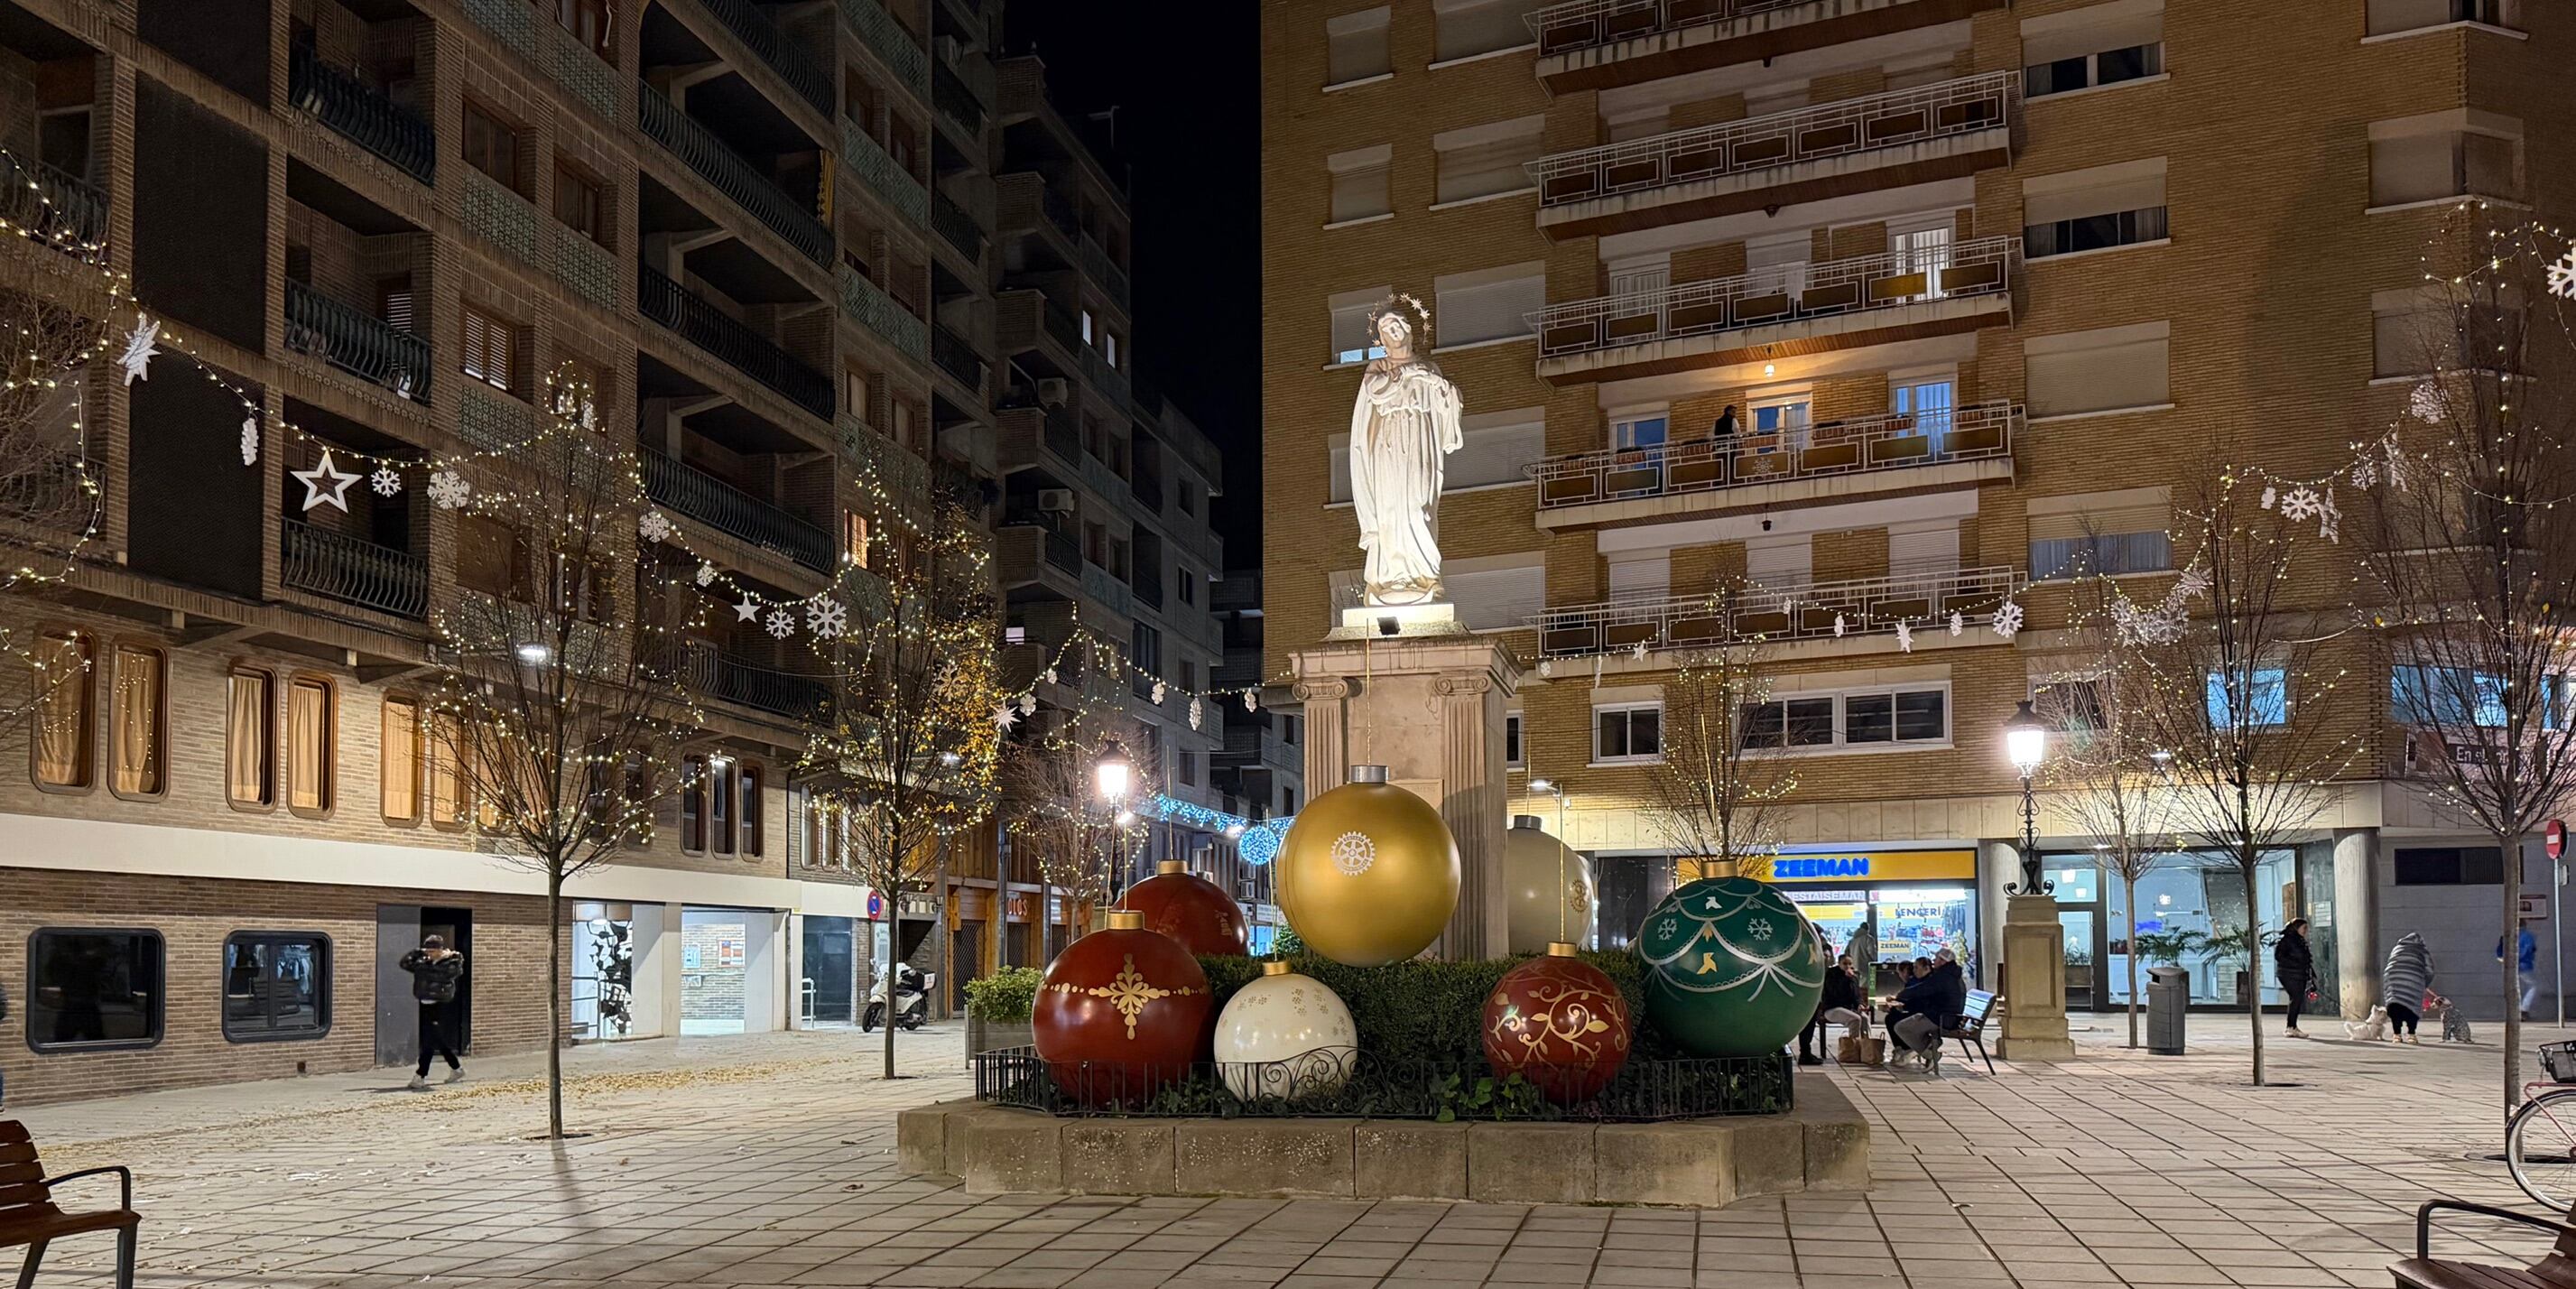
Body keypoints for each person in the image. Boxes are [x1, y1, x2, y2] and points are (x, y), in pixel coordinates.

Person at [400, 934, 468, 1089]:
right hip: (425, 1003)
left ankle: (420, 1075)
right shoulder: (425, 961)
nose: (430, 954)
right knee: (437, 1039)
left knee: (429, 1041)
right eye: (428, 951)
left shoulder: (451, 962)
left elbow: (444, 974)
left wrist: (454, 956)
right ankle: (456, 1068)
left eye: (433, 951)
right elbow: (405, 963)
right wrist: (418, 952)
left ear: (441, 950)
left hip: (442, 1004)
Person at [1891, 951, 1967, 1073]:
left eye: (1936, 958)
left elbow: (1923, 989)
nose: (1933, 960)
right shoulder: (1949, 974)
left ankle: (1931, 1054)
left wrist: (1901, 995)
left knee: (1901, 1027)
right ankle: (1930, 1048)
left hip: (1942, 1018)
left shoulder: (1944, 977)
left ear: (1943, 961)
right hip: (1944, 1015)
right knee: (1902, 1020)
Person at [1800, 946, 1865, 1066]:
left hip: (1848, 1008)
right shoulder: (1831, 975)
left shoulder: (1853, 978)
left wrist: (1860, 1004)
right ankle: (1852, 1051)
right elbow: (1834, 993)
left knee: (1864, 1018)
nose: (1847, 966)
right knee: (1856, 1019)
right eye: (1844, 963)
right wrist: (1846, 979)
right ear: (1839, 963)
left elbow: (1856, 995)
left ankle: (1866, 1048)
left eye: (1849, 963)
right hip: (1833, 1008)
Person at [2385, 932, 2433, 1044]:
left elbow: (2390, 964)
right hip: (2414, 980)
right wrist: (2425, 983)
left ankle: (2396, 1035)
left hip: (2394, 978)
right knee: (2412, 1008)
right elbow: (2429, 969)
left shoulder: (2397, 948)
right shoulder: (2422, 950)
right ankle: (2412, 1035)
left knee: (2396, 1006)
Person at [2274, 918, 2315, 1038]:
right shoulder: (2287, 940)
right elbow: (2279, 956)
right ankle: (2290, 1027)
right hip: (2289, 973)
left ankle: (2292, 1026)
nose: (2306, 931)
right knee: (2296, 998)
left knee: (2297, 999)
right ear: (2297, 928)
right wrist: (2296, 964)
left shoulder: (2300, 941)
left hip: (2298, 973)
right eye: (2304, 928)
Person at [2500, 925, 2539, 1021]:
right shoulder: (2527, 936)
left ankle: (2514, 1010)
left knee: (2515, 987)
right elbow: (2529, 950)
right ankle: (2523, 1009)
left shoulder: (2508, 935)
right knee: (2533, 986)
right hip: (2524, 964)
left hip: (2509, 965)